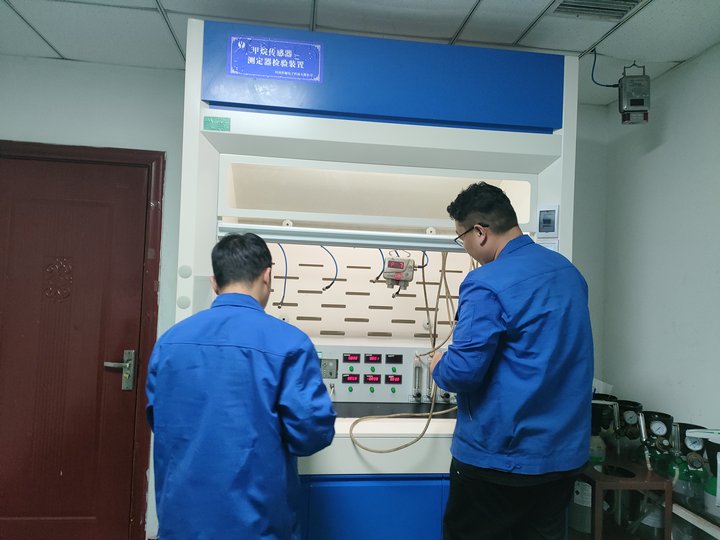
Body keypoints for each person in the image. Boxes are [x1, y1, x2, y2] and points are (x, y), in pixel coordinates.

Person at [146, 233, 336, 540]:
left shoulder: (169, 342)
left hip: (181, 523)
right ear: (267, 276)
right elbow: (311, 434)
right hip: (257, 526)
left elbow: (159, 420)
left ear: (214, 282)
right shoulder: (290, 343)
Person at [431, 182, 593, 540]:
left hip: (499, 460)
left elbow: (461, 373)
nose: (466, 247)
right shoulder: (568, 273)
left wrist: (437, 365)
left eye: (462, 238)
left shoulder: (486, 282)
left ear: (480, 232)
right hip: (561, 459)